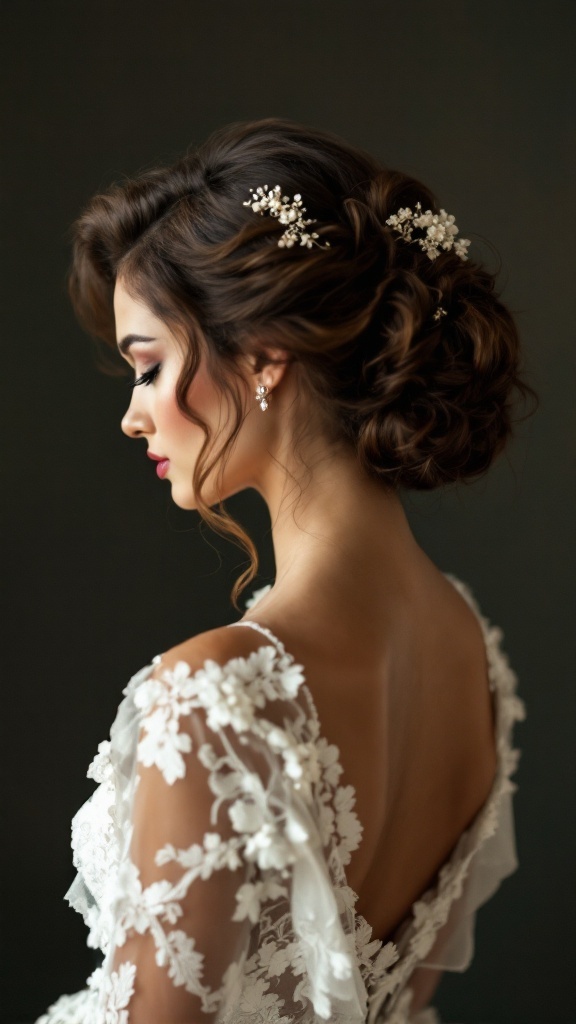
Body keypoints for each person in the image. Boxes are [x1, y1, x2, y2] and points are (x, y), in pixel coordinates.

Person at [36, 117, 533, 1024]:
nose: (133, 417)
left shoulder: (209, 699)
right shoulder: (473, 654)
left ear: (265, 354)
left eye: (149, 367)